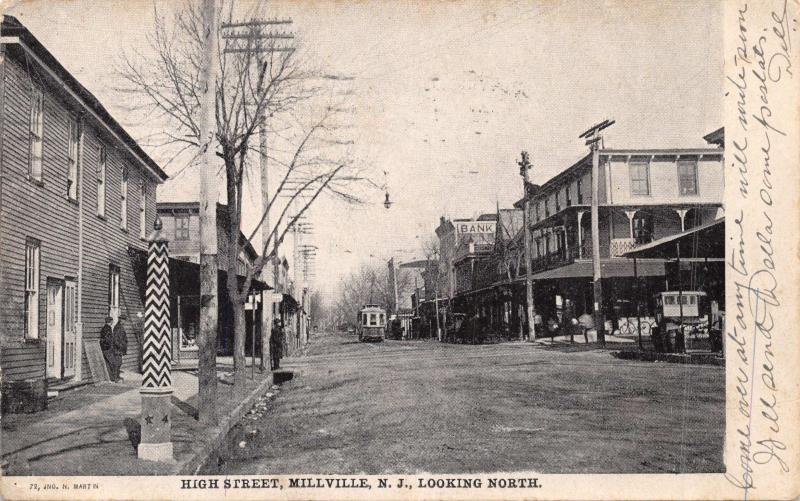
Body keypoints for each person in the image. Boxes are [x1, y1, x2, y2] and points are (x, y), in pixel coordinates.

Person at [100, 315, 127, 382]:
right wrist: (120, 346)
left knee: (115, 363)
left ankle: (114, 377)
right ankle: (114, 378)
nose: (125, 321)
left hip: (112, 348)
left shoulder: (112, 327)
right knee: (116, 363)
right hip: (112, 348)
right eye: (124, 320)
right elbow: (113, 339)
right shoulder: (114, 328)